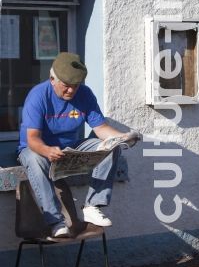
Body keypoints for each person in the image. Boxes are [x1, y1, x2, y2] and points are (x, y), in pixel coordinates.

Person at [18, 52, 130, 238]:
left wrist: (124, 137)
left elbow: (101, 128)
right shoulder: (37, 96)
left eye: (75, 86)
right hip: (39, 149)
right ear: (52, 79)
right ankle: (55, 222)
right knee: (33, 157)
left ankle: (93, 206)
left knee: (111, 147)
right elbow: (32, 139)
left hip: (70, 149)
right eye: (66, 86)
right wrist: (47, 150)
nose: (71, 91)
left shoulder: (85, 94)